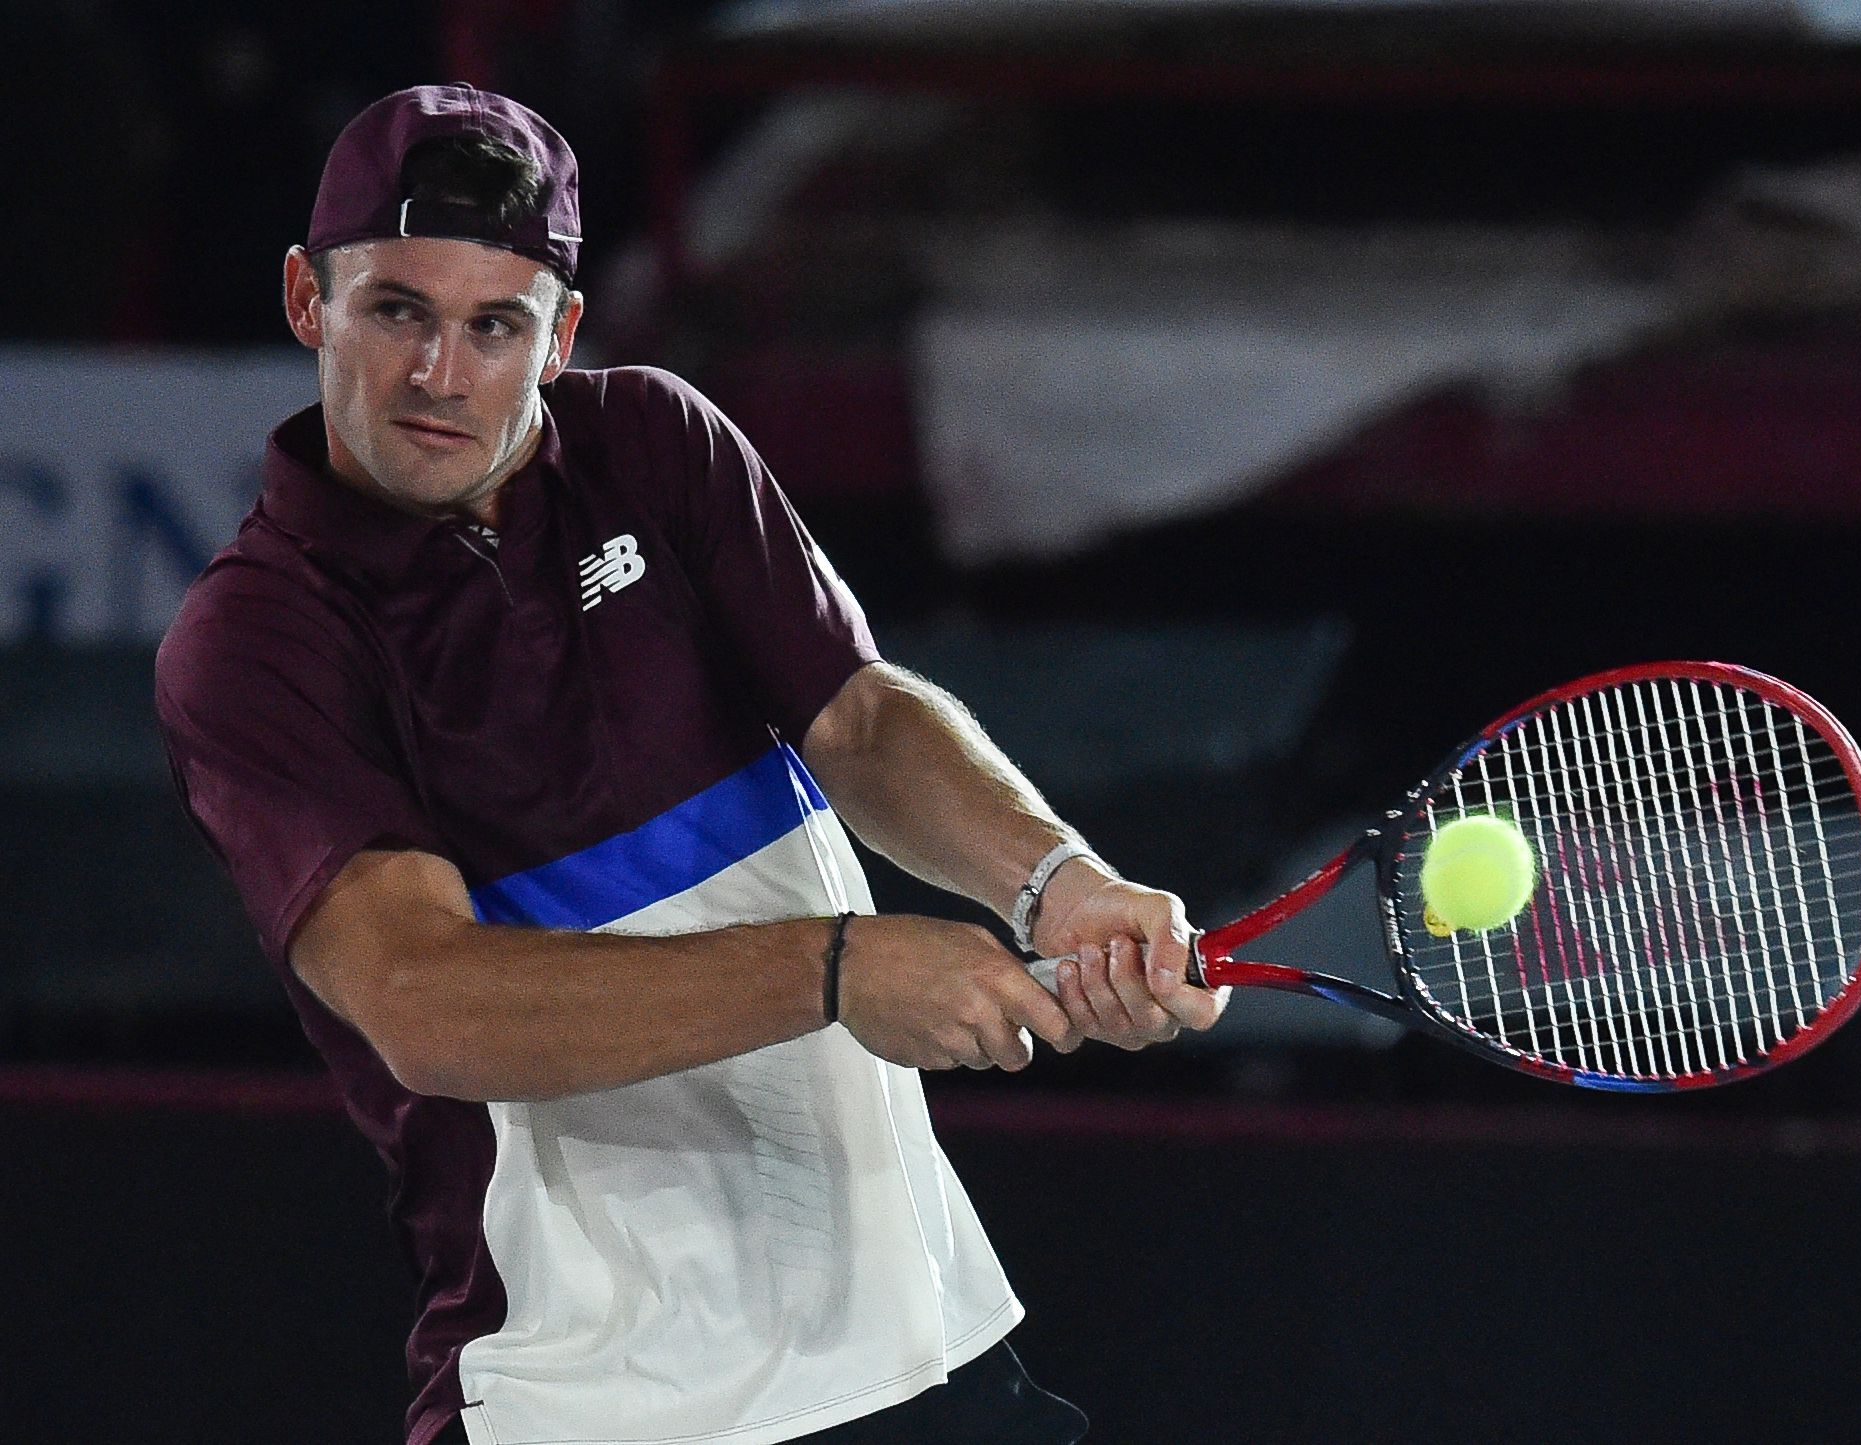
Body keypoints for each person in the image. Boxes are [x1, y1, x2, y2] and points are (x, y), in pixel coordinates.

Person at [153, 83, 1225, 1445]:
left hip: (924, 1356)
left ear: (563, 336)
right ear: (310, 298)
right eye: (398, 312)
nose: (440, 374)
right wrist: (839, 968)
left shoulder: (656, 443)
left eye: (495, 325)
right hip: (600, 1404)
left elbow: (859, 718)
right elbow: (427, 1003)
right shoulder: (257, 640)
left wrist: (1056, 885)